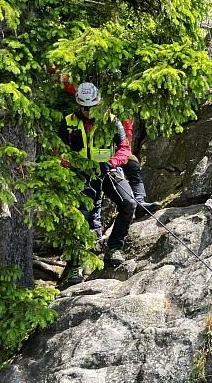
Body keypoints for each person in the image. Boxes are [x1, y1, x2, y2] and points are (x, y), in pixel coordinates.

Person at [59, 82, 159, 280]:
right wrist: (72, 165)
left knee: (129, 203)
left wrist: (112, 163)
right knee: (81, 215)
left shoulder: (111, 121)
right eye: (85, 107)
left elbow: (124, 148)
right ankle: (76, 265)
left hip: (109, 170)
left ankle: (114, 248)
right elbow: (59, 150)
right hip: (82, 174)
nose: (88, 111)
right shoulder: (69, 122)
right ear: (79, 104)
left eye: (91, 107)